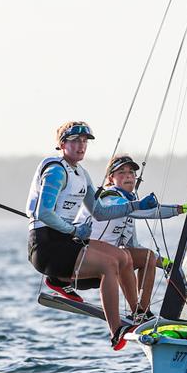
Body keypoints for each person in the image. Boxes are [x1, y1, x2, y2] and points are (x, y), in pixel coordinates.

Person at [26, 121, 159, 351]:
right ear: (62, 144)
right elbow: (44, 213)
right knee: (109, 264)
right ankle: (116, 330)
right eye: (75, 141)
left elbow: (99, 212)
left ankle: (138, 313)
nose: (81, 146)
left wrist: (134, 206)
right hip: (46, 246)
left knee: (123, 257)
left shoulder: (82, 174)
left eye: (84, 141)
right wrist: (74, 230)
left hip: (66, 241)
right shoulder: (56, 170)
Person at [73, 154, 187, 322]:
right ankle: (138, 311)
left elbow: (134, 246)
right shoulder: (110, 198)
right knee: (123, 257)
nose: (128, 176)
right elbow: (142, 211)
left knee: (147, 257)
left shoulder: (130, 206)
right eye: (121, 172)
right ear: (111, 178)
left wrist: (167, 264)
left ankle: (141, 312)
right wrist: (182, 209)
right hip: (82, 264)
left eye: (131, 173)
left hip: (107, 262)